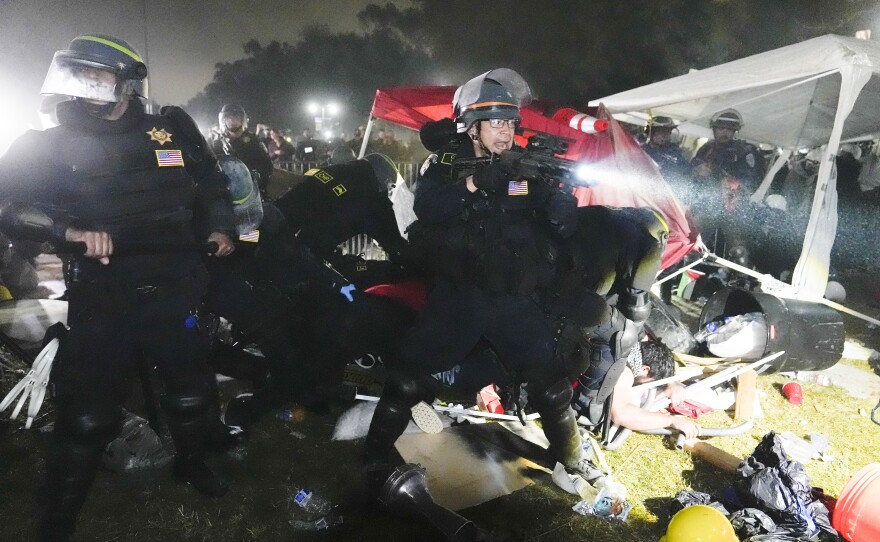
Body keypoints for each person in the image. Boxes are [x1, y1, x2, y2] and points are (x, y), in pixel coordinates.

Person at [0, 34, 236, 540]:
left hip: (177, 283)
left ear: (125, 81)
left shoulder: (169, 127)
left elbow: (212, 182)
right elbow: (9, 208)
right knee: (86, 414)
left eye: (99, 76)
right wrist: (67, 232)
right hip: (104, 293)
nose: (87, 88)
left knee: (192, 389)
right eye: (79, 75)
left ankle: (192, 464)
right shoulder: (45, 144)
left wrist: (220, 226)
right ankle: (58, 516)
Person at [360, 68, 602, 493]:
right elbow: (429, 208)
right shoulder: (449, 164)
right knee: (409, 378)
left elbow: (558, 226)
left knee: (551, 386)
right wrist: (477, 182)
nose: (506, 131)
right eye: (495, 122)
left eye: (510, 122)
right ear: (471, 128)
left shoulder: (527, 168)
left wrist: (561, 207)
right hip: (461, 296)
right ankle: (374, 453)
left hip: (515, 300)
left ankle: (572, 462)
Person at [209, 104, 274, 193]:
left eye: (236, 118)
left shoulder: (253, 141)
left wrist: (253, 176)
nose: (232, 121)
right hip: (224, 193)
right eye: (229, 118)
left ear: (242, 120)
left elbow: (267, 167)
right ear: (224, 121)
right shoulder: (217, 143)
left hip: (251, 192)